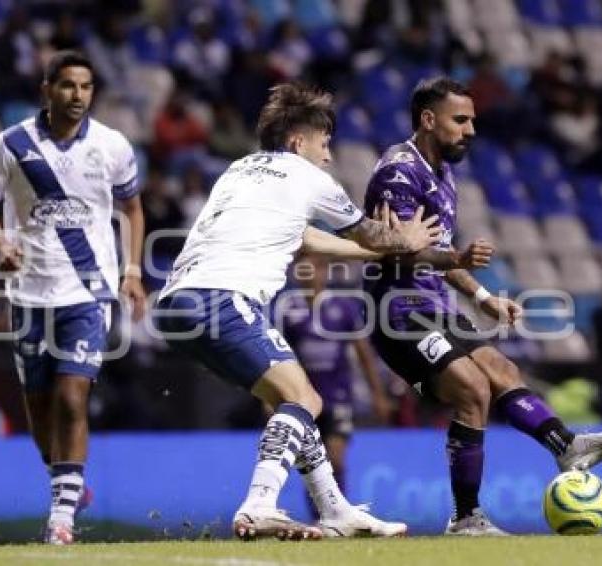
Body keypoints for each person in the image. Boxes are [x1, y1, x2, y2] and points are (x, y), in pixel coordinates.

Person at [154, 82, 441, 540]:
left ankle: (336, 510)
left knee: (295, 398)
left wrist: (371, 255)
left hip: (175, 304)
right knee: (303, 400)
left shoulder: (240, 169)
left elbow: (303, 237)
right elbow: (374, 234)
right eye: (324, 144)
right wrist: (407, 240)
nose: (328, 156)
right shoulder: (309, 178)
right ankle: (259, 504)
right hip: (224, 296)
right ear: (297, 142)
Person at [363, 77, 602, 536]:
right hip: (397, 311)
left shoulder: (443, 176)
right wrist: (455, 257)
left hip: (433, 305)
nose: (471, 130)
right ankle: (466, 518)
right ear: (429, 120)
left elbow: (443, 255)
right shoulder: (398, 173)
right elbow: (397, 249)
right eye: (461, 120)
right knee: (472, 389)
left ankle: (566, 445)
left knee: (503, 370)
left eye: (473, 120)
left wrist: (484, 297)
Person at [0, 50, 146, 545]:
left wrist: (131, 271)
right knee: (39, 404)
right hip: (29, 291)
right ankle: (67, 485)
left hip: (88, 292)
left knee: (73, 398)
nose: (78, 96)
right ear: (47, 89)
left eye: (87, 87)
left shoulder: (112, 146)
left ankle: (61, 521)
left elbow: (132, 210)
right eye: (68, 86)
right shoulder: (12, 144)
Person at [279, 254, 393, 504]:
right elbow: (281, 358)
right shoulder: (289, 311)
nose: (311, 275)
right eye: (304, 269)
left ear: (326, 273)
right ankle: (320, 518)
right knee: (311, 463)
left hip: (338, 395)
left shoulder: (343, 307)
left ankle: (339, 510)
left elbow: (364, 354)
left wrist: (378, 395)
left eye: (317, 269)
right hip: (305, 399)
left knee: (336, 457)